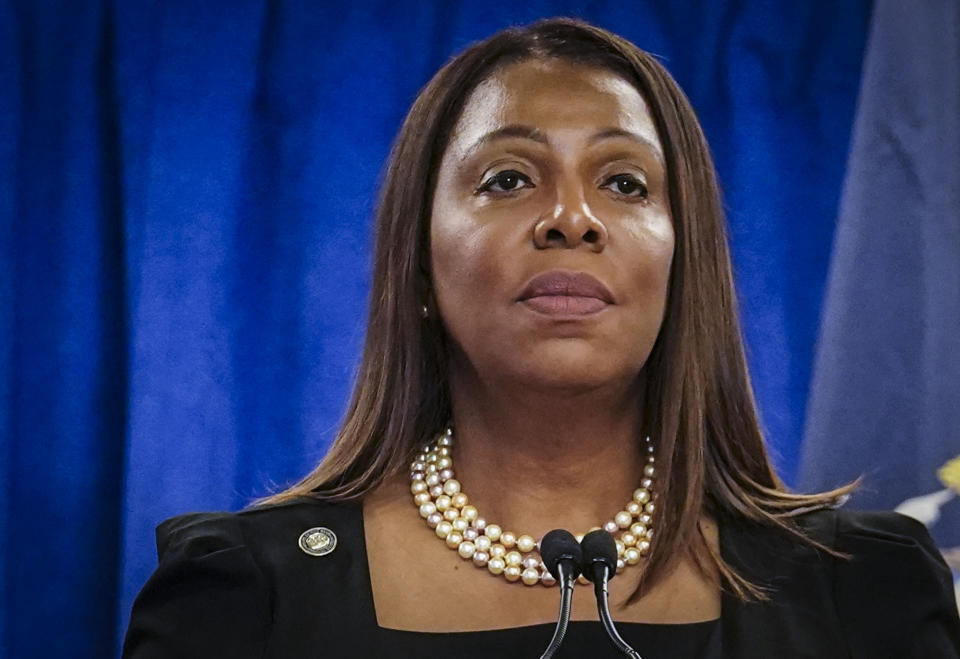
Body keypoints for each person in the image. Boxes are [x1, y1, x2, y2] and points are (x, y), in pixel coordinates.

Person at [122, 17, 960, 658]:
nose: (571, 219)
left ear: (684, 263)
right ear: (417, 263)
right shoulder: (242, 597)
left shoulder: (865, 592)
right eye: (509, 178)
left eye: (624, 182)